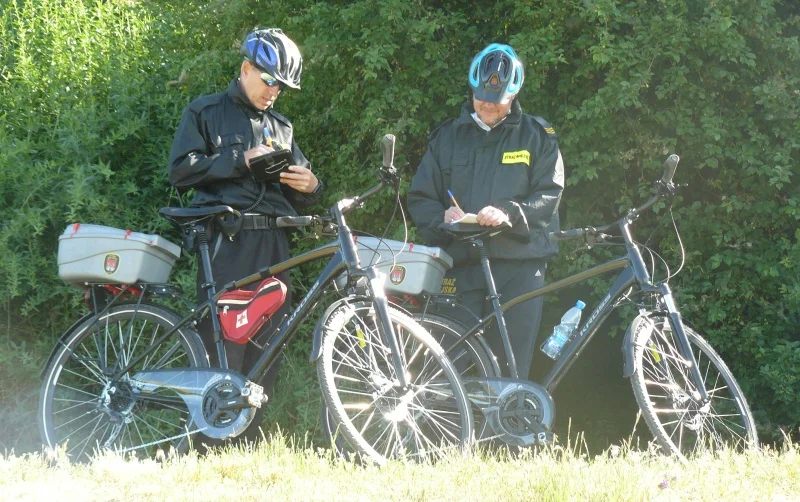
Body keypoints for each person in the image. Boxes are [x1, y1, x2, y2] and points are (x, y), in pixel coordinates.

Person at [168, 28, 323, 443]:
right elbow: (181, 171)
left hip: (274, 244)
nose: (274, 92)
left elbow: (303, 192)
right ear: (246, 68)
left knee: (268, 343)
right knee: (223, 344)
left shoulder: (282, 128)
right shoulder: (204, 112)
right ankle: (206, 442)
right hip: (226, 242)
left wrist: (311, 186)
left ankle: (247, 443)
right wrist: (239, 159)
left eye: (282, 87)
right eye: (270, 80)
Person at [408, 43, 564, 379]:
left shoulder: (538, 136)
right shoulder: (446, 137)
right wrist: (441, 219)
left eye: (497, 99)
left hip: (520, 269)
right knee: (449, 363)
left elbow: (549, 195)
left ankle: (505, 432)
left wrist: (510, 214)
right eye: (481, 96)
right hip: (460, 266)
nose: (487, 104)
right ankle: (450, 431)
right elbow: (421, 197)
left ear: (513, 93)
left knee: (509, 367)